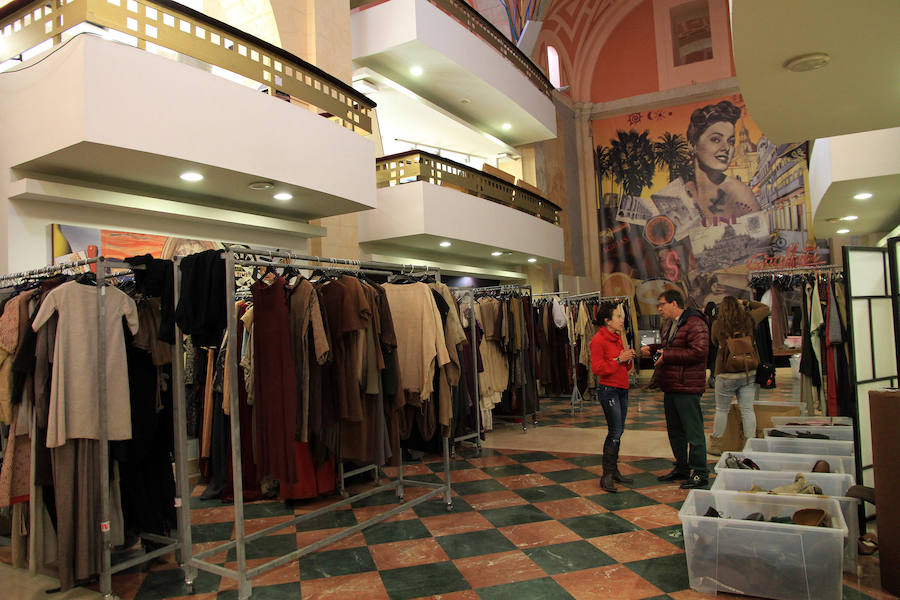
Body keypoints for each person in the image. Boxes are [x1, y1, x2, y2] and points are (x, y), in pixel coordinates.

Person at [641, 289, 710, 489]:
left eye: (662, 304)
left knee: (693, 431)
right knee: (675, 431)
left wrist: (667, 355)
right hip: (671, 384)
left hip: (687, 385)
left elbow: (699, 352)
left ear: (674, 304)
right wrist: (654, 350)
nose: (659, 308)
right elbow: (669, 346)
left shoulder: (695, 322)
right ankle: (682, 467)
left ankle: (699, 472)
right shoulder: (672, 324)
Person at [652, 100, 760, 222]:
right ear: (693, 145)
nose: (726, 148)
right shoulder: (676, 195)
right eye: (715, 139)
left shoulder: (740, 193)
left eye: (731, 141)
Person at [707, 297, 771, 455]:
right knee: (747, 410)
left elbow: (714, 342)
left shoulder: (718, 324)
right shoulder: (749, 319)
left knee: (722, 409)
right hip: (748, 372)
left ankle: (716, 444)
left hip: (726, 373)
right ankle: (749, 444)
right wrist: (747, 303)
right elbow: (765, 308)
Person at [590, 303, 636, 492]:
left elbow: (625, 367)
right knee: (615, 431)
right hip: (609, 390)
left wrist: (627, 358)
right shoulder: (598, 340)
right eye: (618, 316)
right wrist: (619, 360)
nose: (621, 319)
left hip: (622, 388)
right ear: (607, 321)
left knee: (619, 431)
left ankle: (613, 470)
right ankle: (607, 474)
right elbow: (598, 368)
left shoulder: (617, 337)